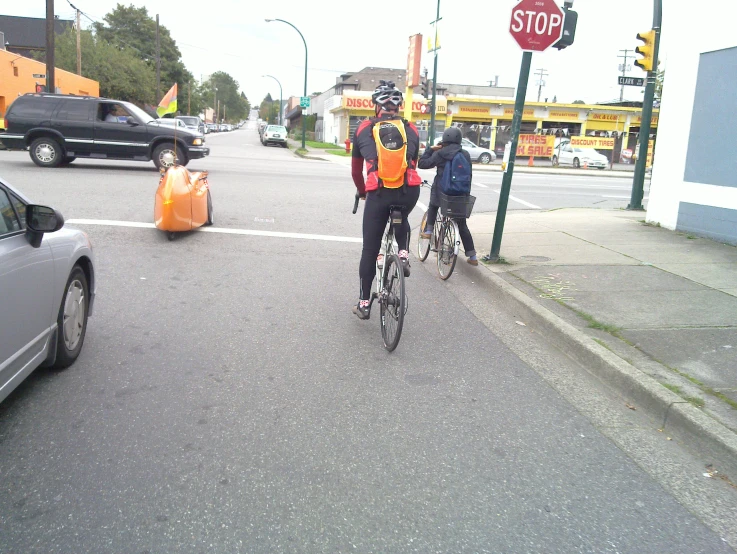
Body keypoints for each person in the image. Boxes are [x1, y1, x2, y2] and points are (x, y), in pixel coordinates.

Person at [351, 80, 422, 320]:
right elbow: (414, 163)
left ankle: (363, 303)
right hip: (408, 191)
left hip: (378, 192)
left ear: (376, 106)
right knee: (401, 215)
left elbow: (355, 171)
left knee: (370, 250)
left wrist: (362, 191)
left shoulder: (363, 129)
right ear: (399, 106)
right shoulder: (411, 129)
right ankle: (403, 254)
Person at [418, 127, 478, 265]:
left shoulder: (441, 153)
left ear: (444, 139)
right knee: (461, 224)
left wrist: (431, 149)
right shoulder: (465, 154)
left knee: (433, 206)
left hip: (442, 193)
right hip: (461, 195)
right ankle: (472, 256)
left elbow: (422, 163)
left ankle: (428, 230)